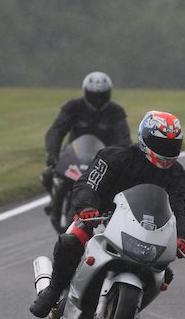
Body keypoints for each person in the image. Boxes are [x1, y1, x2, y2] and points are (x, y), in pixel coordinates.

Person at [30, 110, 185, 319]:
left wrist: (184, 237)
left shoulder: (177, 175)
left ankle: (129, 315)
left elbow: (183, 208)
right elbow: (89, 182)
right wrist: (87, 206)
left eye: (172, 145)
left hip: (147, 231)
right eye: (161, 144)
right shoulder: (115, 157)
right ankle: (53, 290)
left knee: (163, 274)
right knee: (71, 241)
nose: (167, 150)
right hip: (101, 218)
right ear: (145, 138)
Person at [41, 71, 132, 213]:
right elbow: (56, 131)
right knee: (48, 174)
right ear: (86, 92)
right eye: (94, 96)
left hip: (102, 160)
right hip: (73, 156)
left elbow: (123, 139)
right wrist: (52, 153)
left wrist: (121, 160)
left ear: (108, 94)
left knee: (119, 185)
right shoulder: (73, 107)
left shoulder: (115, 111)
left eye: (101, 96)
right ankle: (54, 199)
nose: (97, 100)